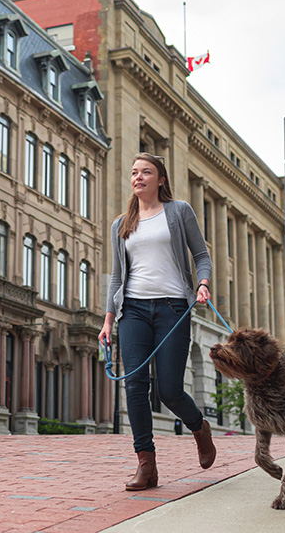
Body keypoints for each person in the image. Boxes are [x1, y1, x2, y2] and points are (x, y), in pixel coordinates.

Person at [98, 152, 216, 491]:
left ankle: (199, 428)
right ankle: (146, 464)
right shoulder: (120, 225)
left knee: (170, 390)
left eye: (146, 172)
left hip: (172, 309)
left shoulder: (178, 212)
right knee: (134, 386)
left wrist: (203, 283)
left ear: (160, 179)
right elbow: (117, 278)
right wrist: (108, 321)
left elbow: (202, 255)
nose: (138, 177)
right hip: (132, 310)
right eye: (134, 172)